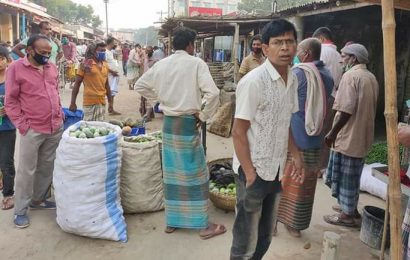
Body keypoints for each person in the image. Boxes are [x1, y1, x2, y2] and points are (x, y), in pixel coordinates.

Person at [135, 27, 225, 240]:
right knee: (195, 173)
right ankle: (202, 225)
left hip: (169, 125)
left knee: (173, 173)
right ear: (190, 45)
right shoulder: (196, 63)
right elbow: (213, 93)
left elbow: (140, 85)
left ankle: (173, 221)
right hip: (187, 124)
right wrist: (203, 116)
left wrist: (159, 101)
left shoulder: (162, 64)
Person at [230, 19, 302, 260]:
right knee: (245, 239)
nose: (285, 48)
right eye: (278, 42)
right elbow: (238, 131)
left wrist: (296, 154)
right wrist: (250, 172)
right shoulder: (253, 82)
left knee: (265, 236)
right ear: (265, 48)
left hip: (277, 169)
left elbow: (287, 122)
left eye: (289, 41)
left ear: (296, 45)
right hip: (254, 170)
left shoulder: (293, 79)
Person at [5, 34, 64, 228]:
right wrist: (22, 124)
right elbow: (11, 101)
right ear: (29, 50)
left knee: (47, 166)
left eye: (49, 53)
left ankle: (38, 200)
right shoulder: (15, 68)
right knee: (26, 170)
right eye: (42, 52)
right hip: (32, 128)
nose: (46, 56)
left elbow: (55, 91)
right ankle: (21, 210)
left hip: (54, 126)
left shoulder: (51, 67)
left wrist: (60, 113)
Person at [277, 38, 334, 237]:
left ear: (307, 53)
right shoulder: (327, 75)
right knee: (305, 184)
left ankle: (272, 222)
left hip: (293, 135)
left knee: (283, 178)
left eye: (299, 49)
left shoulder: (299, 73)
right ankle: (295, 224)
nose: (295, 52)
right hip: (315, 136)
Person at [323, 43, 379, 227]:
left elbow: (345, 110)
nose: (341, 59)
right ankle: (350, 208)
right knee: (353, 176)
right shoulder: (370, 77)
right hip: (362, 135)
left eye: (344, 55)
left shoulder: (350, 76)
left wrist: (332, 132)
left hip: (349, 135)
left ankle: (347, 215)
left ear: (353, 58)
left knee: (346, 176)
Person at [313, 27, 344, 177]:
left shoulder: (321, 51)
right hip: (334, 97)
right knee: (327, 132)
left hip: (322, 97)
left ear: (321, 39)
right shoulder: (338, 54)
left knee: (316, 131)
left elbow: (314, 74)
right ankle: (322, 167)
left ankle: (314, 167)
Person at [69, 42, 113, 121]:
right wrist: (73, 102)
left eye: (104, 51)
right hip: (89, 102)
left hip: (102, 101)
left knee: (100, 128)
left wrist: (110, 103)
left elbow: (107, 85)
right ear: (94, 52)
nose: (103, 53)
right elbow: (77, 83)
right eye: (100, 51)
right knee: (88, 127)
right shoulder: (85, 65)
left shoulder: (105, 65)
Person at [0, 46, 16, 210]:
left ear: (7, 60)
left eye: (1, 58)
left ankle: (8, 194)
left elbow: (21, 101)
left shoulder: (12, 79)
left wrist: (8, 109)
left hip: (7, 127)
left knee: (6, 162)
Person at [139, 46, 157, 120]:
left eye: (150, 50)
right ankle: (148, 113)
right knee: (143, 98)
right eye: (147, 50)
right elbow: (143, 68)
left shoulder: (155, 61)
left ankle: (148, 114)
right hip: (144, 79)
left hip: (151, 81)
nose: (148, 52)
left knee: (149, 98)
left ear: (152, 51)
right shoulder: (145, 59)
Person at [106, 37, 121, 115]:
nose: (114, 44)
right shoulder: (105, 52)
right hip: (109, 75)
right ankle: (110, 108)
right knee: (110, 92)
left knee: (112, 93)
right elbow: (104, 65)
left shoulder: (110, 52)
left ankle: (111, 108)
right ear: (110, 43)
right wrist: (112, 72)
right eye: (114, 43)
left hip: (113, 75)